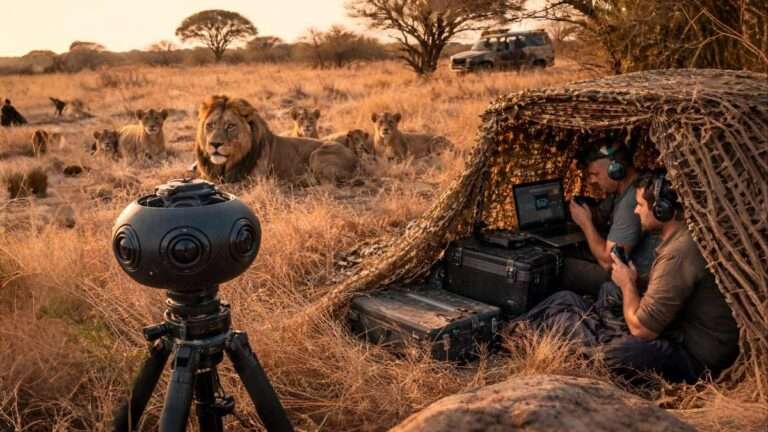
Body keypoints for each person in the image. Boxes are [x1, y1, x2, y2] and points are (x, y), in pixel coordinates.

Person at [517, 171, 740, 383]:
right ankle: (519, 330)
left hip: (695, 359)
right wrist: (633, 279)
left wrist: (628, 284)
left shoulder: (679, 253)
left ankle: (569, 332)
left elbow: (642, 330)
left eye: (641, 205)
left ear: (662, 210)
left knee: (621, 351)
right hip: (678, 331)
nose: (636, 212)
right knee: (576, 296)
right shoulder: (681, 237)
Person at [561, 143, 658, 296]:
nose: (592, 180)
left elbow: (608, 262)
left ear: (616, 169)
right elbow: (601, 214)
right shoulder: (624, 190)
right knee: (567, 251)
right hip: (627, 267)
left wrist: (585, 223)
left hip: (633, 280)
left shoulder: (631, 200)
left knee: (560, 267)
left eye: (595, 174)